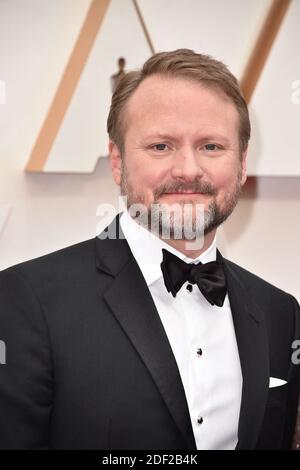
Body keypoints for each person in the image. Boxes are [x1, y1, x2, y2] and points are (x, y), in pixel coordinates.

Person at [0, 49, 299, 450]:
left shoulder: (281, 313)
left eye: (211, 146)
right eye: (161, 146)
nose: (188, 170)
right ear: (118, 161)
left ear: (242, 163)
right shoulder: (27, 301)